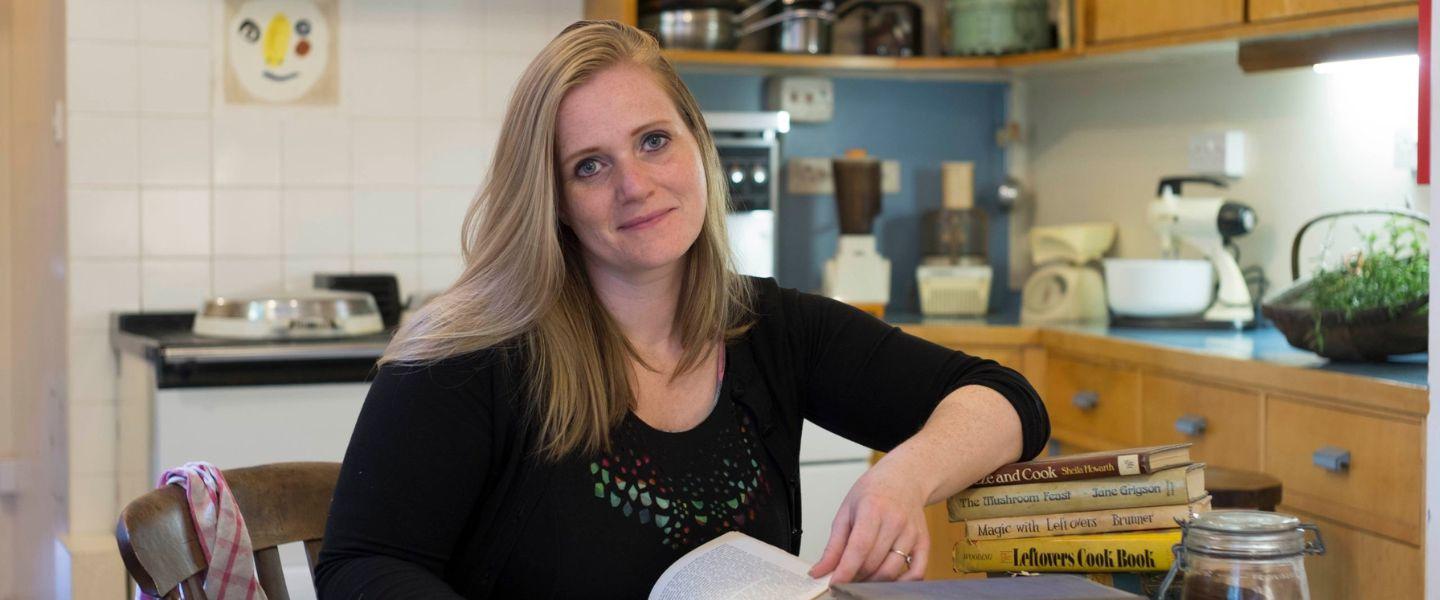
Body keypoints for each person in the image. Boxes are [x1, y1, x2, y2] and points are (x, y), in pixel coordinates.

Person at [314, 19, 1049, 599]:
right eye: (590, 165)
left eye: (654, 141)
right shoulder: (472, 358)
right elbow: (360, 567)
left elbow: (1009, 401)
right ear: (555, 202)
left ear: (699, 147)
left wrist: (903, 477)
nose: (634, 184)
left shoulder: (774, 329)